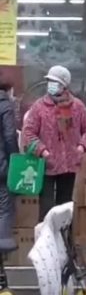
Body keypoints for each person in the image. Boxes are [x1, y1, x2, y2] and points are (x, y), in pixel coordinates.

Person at [22, 66, 86, 221]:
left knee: (65, 208)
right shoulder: (39, 106)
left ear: (64, 85)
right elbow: (28, 133)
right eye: (49, 81)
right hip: (46, 165)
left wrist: (82, 147)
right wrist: (42, 151)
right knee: (46, 209)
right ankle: (45, 242)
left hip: (69, 165)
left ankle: (64, 242)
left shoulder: (77, 106)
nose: (51, 84)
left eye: (55, 82)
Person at [0, 72, 19, 251]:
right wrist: (15, 159)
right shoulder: (5, 105)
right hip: (1, 166)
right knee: (4, 208)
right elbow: (9, 135)